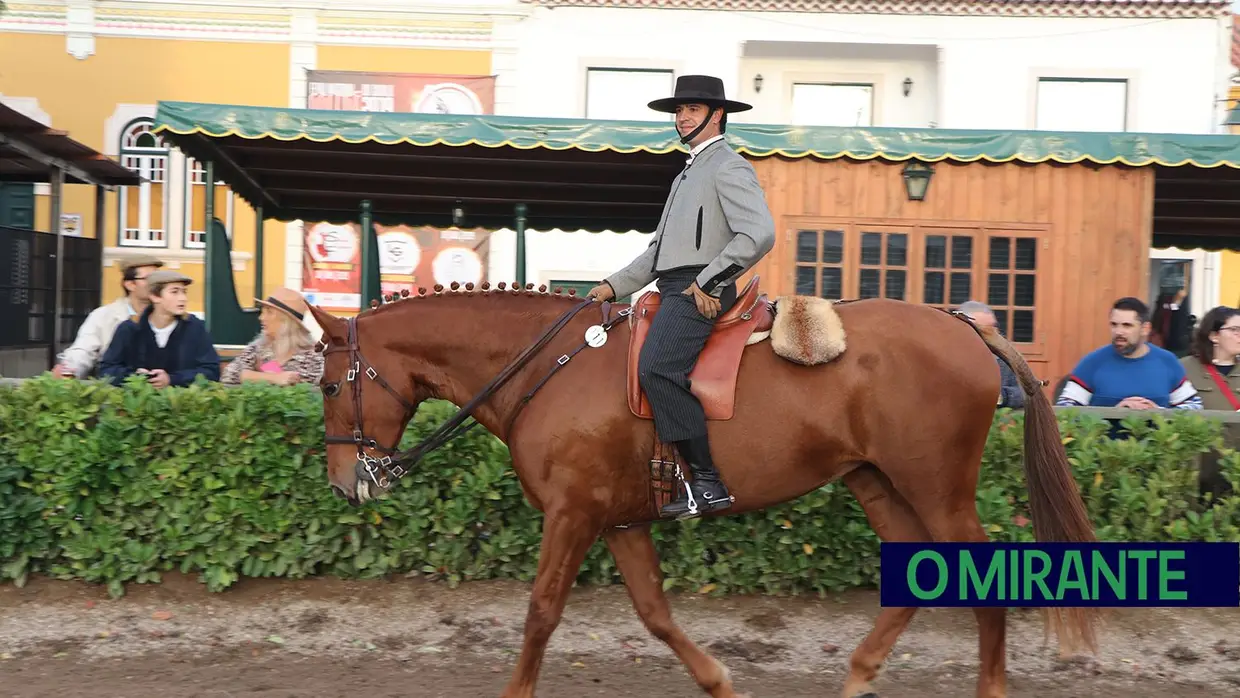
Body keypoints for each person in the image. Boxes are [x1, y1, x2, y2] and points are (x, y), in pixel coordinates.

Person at [586, 75, 776, 519]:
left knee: (657, 367)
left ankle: (707, 484)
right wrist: (613, 286)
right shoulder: (687, 172)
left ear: (717, 115)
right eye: (679, 110)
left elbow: (759, 232)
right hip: (673, 285)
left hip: (700, 287)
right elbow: (658, 253)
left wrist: (709, 281)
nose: (682, 118)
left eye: (692, 109)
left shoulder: (727, 165)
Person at [1055, 296, 1202, 411]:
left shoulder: (1167, 361)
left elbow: (1194, 406)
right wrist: (1115, 413)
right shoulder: (1092, 362)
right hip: (1105, 448)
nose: (1118, 332)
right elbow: (1066, 407)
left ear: (1145, 329)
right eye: (1114, 324)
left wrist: (1158, 412)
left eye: (1127, 325)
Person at [98, 270, 221, 388]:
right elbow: (107, 369)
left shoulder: (194, 327)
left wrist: (172, 379)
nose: (183, 298)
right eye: (175, 292)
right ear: (155, 297)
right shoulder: (130, 328)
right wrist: (135, 377)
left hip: (181, 404)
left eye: (184, 292)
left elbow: (211, 371)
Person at [53, 254, 164, 379]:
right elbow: (84, 350)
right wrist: (71, 368)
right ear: (130, 284)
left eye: (159, 279)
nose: (157, 284)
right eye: (150, 279)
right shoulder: (103, 315)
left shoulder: (169, 315)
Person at [1179, 306, 1240, 498]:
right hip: (1197, 471)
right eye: (1234, 330)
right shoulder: (1184, 368)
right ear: (1214, 336)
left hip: (1234, 471)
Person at [221, 287, 324, 386]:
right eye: (263, 312)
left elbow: (304, 386)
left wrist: (253, 375)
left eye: (269, 312)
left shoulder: (312, 356)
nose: (261, 318)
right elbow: (229, 375)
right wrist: (273, 378)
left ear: (287, 321)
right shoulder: (257, 348)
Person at [957, 300, 1025, 409]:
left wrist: (1002, 396)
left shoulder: (1005, 358)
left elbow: (1028, 393)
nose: (994, 333)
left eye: (994, 327)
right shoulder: (945, 359)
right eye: (986, 329)